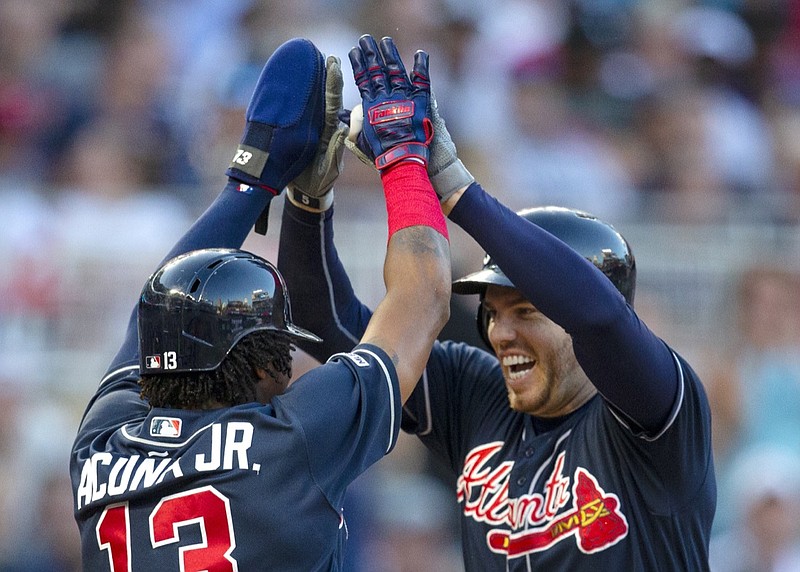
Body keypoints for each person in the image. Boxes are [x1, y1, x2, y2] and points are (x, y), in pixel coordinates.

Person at [278, 34, 717, 570]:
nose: (500, 332)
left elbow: (599, 318)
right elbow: (327, 321)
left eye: (526, 310)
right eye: (494, 310)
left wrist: (453, 185)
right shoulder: (475, 397)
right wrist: (308, 201)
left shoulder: (659, 414)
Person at [69, 36, 451, 571]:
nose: (291, 367)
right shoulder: (292, 439)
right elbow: (424, 300)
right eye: (283, 350)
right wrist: (404, 160)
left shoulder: (103, 447)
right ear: (263, 365)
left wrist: (255, 182)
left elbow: (149, 317)